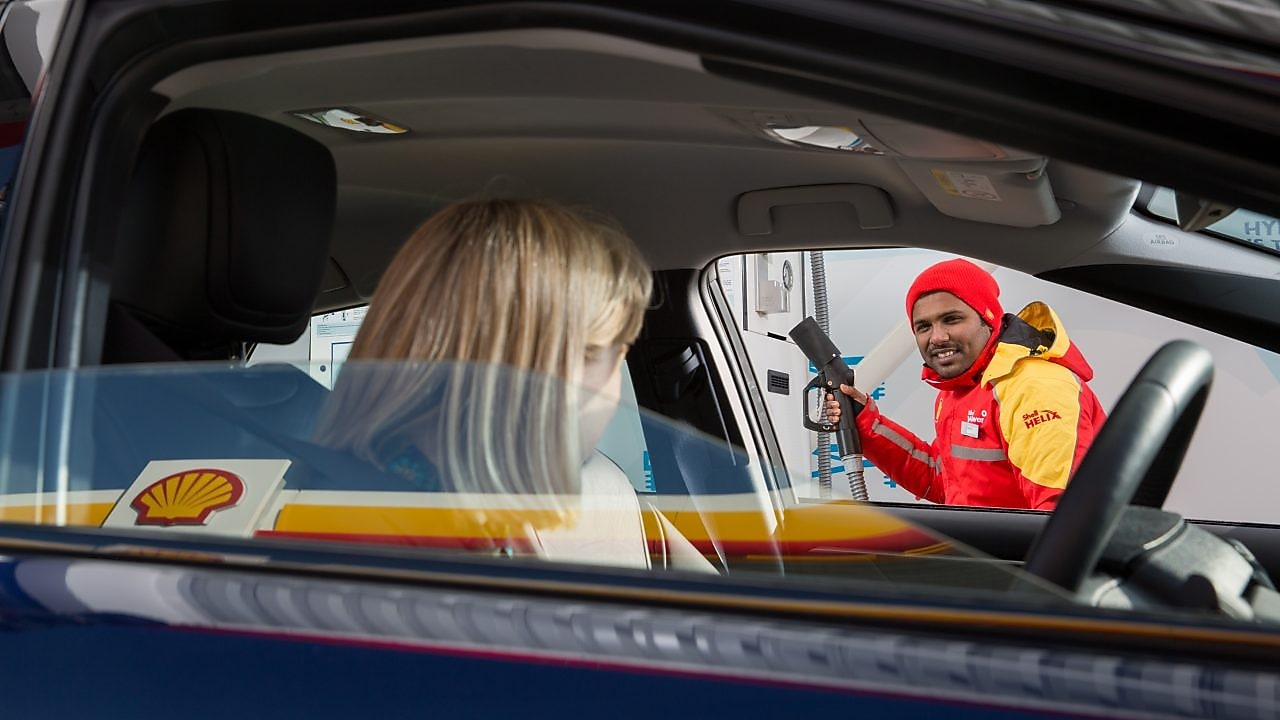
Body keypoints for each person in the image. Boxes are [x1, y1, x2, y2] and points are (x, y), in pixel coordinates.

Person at [311, 197, 653, 554]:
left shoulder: (442, 515)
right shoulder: (382, 553)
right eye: (617, 353)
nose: (613, 392)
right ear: (547, 370)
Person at [827, 258, 1105, 510]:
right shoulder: (965, 386)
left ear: (988, 319)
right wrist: (864, 422)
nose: (937, 337)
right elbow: (942, 480)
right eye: (924, 326)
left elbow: (1060, 517)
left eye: (952, 319)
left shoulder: (1033, 386)